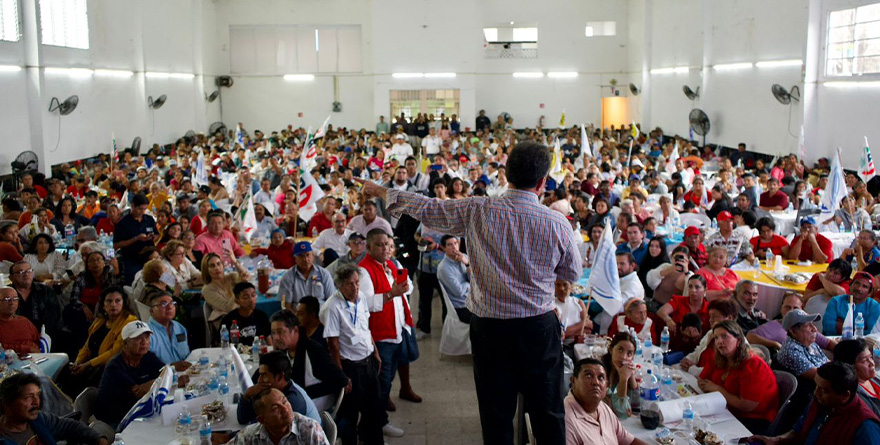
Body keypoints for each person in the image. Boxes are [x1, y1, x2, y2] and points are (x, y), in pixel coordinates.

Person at [357, 140, 582, 444]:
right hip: (537, 328)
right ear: (542, 182)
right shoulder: (557, 223)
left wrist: (383, 191)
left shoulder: (478, 208)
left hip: (491, 329)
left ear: (507, 173)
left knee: (496, 412)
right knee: (548, 411)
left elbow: (428, 208)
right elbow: (571, 274)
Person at [357, 229, 420, 416]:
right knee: (381, 381)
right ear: (368, 247)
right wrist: (392, 293)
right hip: (381, 335)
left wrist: (405, 288)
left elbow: (408, 287)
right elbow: (366, 303)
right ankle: (375, 424)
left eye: (387, 244)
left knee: (390, 376)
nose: (385, 248)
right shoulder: (363, 270)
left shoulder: (392, 263)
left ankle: (379, 419)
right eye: (379, 244)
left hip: (398, 329)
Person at [322, 265, 386, 445]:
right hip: (350, 366)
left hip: (368, 360)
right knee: (350, 413)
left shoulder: (362, 298)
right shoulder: (332, 307)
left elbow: (366, 328)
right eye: (350, 284)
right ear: (340, 286)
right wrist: (342, 375)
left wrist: (376, 352)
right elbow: (333, 344)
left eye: (357, 282)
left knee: (374, 408)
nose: (355, 287)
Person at [748, 362, 880, 444]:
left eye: (824, 390)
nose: (816, 393)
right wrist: (776, 440)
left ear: (845, 396)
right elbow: (798, 431)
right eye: (816, 386)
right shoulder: (820, 402)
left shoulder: (865, 427)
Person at [697, 320, 779, 433]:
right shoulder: (719, 356)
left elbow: (746, 406)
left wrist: (717, 390)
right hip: (725, 409)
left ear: (739, 341)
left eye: (724, 336)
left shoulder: (753, 364)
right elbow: (702, 380)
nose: (719, 341)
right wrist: (715, 393)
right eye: (716, 338)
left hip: (752, 419)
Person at [61, 286, 138, 397]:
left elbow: (114, 352)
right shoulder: (100, 321)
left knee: (83, 382)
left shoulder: (129, 322)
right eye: (109, 301)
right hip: (90, 362)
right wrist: (78, 362)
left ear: (124, 303)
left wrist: (87, 365)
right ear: (103, 305)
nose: (113, 304)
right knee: (66, 371)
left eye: (117, 301)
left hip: (109, 367)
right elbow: (87, 346)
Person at [95, 320, 168, 428]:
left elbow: (166, 371)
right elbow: (138, 392)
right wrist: (160, 380)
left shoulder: (148, 356)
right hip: (116, 421)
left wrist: (167, 375)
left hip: (138, 412)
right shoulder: (114, 366)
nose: (144, 342)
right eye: (138, 338)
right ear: (125, 344)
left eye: (147, 337)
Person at [0, 373, 108, 445]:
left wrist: (98, 439)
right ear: (7, 404)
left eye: (38, 395)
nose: (36, 402)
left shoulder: (39, 419)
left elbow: (70, 426)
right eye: (28, 397)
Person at [564, 357, 649, 445]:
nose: (596, 382)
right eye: (588, 375)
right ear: (573, 381)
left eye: (601, 377)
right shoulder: (566, 420)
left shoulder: (603, 407)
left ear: (606, 385)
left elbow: (630, 441)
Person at [237, 351, 320, 425]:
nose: (259, 380)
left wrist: (229, 437)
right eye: (260, 375)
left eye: (264, 375)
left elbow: (260, 429)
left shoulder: (290, 401)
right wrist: (246, 395)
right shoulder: (272, 392)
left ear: (280, 377)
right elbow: (243, 419)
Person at [226, 388, 330, 445]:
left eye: (285, 402)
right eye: (275, 408)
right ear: (262, 420)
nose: (285, 409)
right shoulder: (248, 438)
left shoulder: (309, 430)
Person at [680, 299, 740, 375]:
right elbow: (699, 350)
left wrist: (691, 368)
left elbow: (718, 372)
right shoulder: (711, 332)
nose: (710, 320)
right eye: (710, 316)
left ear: (729, 318)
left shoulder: (734, 342)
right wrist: (687, 360)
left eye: (714, 316)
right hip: (695, 373)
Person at [8, 261, 61, 345]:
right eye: (21, 272)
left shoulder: (46, 291)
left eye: (29, 271)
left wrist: (43, 333)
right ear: (11, 277)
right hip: (14, 336)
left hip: (43, 334)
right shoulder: (6, 294)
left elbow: (54, 315)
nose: (26, 274)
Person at [112, 193, 158, 284]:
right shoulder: (123, 223)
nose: (142, 212)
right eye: (140, 209)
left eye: (145, 209)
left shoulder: (149, 219)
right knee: (133, 283)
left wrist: (152, 237)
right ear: (133, 206)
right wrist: (136, 239)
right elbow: (116, 245)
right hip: (132, 258)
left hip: (149, 255)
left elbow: (156, 235)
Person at [279, 242, 336, 311]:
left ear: (313, 256)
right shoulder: (287, 277)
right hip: (298, 317)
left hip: (321, 316)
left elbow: (332, 300)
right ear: (295, 259)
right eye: (301, 256)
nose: (305, 259)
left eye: (308, 255)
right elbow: (285, 306)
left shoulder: (324, 274)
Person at [201, 252, 249, 331]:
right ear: (206, 270)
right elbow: (228, 308)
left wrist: (234, 261)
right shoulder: (207, 290)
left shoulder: (231, 277)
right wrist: (238, 287)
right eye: (212, 266)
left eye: (218, 264)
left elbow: (245, 276)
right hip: (226, 325)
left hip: (242, 316)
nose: (217, 268)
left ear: (223, 265)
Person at [777, 309, 830, 380]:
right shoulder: (791, 351)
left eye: (813, 324)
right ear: (793, 331)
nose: (815, 329)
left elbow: (828, 362)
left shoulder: (810, 343)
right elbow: (819, 376)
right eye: (808, 325)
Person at [823, 271, 880, 335]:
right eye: (857, 283)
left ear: (869, 293)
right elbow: (827, 327)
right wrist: (859, 329)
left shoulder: (874, 307)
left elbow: (871, 333)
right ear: (850, 285)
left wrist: (841, 325)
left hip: (862, 344)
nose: (859, 288)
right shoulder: (836, 301)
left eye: (865, 287)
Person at [833, 338, 880, 416]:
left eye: (871, 357)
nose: (872, 363)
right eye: (864, 360)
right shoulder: (856, 397)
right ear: (851, 366)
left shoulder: (874, 379)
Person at [146, 292, 191, 368]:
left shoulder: (179, 328)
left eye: (172, 303)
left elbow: (186, 355)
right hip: (161, 376)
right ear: (152, 311)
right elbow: (147, 365)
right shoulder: (147, 333)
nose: (169, 307)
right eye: (163, 304)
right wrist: (171, 367)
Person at [600, 332, 639, 419]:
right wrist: (623, 378)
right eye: (620, 350)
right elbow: (622, 412)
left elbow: (636, 404)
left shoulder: (623, 371)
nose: (624, 357)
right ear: (611, 349)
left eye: (629, 354)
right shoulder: (600, 373)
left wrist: (631, 376)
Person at [436, 235, 473, 324]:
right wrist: (471, 285)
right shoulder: (444, 268)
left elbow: (475, 281)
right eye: (450, 245)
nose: (454, 247)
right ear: (444, 248)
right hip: (460, 307)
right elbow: (459, 292)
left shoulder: (464, 257)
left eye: (455, 243)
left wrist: (467, 264)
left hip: (472, 301)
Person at [645, 245, 690, 312]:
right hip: (653, 305)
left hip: (670, 311)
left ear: (687, 261)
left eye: (682, 259)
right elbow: (651, 281)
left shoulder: (689, 276)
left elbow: (688, 296)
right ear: (672, 257)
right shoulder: (665, 266)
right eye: (676, 258)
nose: (679, 261)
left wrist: (686, 272)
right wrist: (669, 270)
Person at [0, 287, 39, 355]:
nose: (12, 303)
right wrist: (25, 348)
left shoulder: (24, 321)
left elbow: (37, 342)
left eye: (15, 299)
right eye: (6, 299)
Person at [554, 279, 590, 343]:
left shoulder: (578, 303)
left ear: (571, 287)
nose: (562, 288)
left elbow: (589, 329)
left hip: (578, 344)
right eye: (558, 285)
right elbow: (558, 334)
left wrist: (568, 331)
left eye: (565, 284)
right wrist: (583, 324)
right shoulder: (551, 305)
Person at [637, 236, 669, 302]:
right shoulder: (646, 260)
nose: (653, 249)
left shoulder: (665, 265)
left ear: (662, 249)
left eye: (657, 247)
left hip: (656, 298)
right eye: (651, 246)